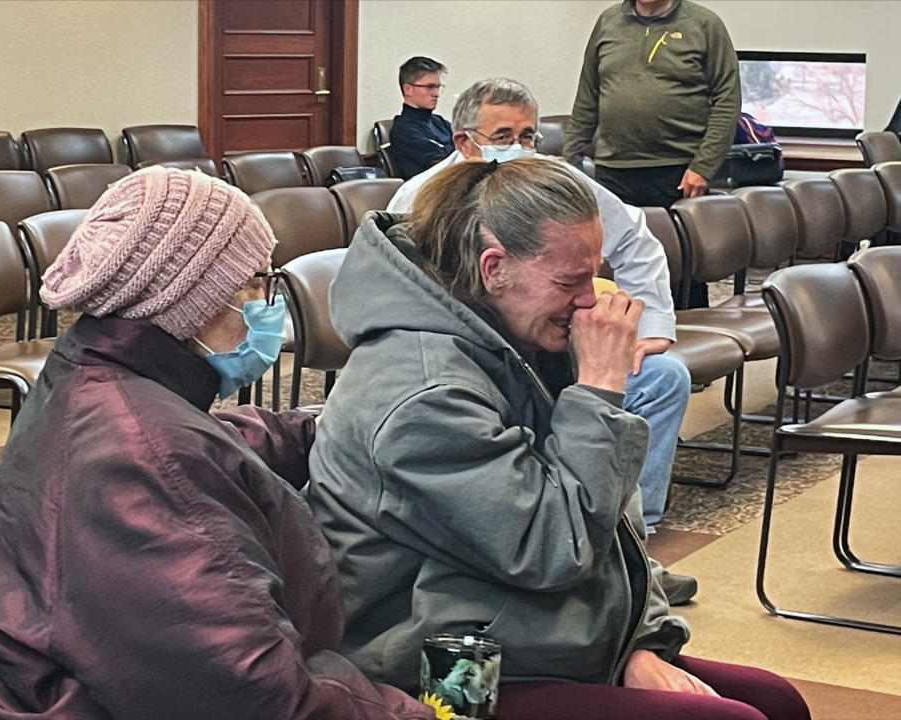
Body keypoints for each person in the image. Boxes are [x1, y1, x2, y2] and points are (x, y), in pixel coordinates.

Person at [307, 157, 810, 720]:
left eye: (595, 275)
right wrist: (598, 390)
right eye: (570, 282)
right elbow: (553, 549)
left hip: (533, 627)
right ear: (494, 268)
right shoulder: (422, 396)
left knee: (776, 700)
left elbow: (612, 524)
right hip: (448, 665)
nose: (591, 300)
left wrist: (639, 641)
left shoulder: (514, 342)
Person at [0, 167, 434, 720]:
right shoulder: (139, 460)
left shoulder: (96, 372)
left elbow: (208, 447)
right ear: (194, 299)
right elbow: (259, 697)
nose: (267, 304)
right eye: (256, 283)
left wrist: (334, 423)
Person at [387, 77, 696, 604]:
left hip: (546, 342)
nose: (519, 147)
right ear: (465, 142)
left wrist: (649, 331)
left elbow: (634, 241)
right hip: (483, 357)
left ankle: (633, 548)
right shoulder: (421, 199)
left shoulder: (555, 183)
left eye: (529, 135)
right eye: (504, 134)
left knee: (662, 377)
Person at [563, 0, 741, 307]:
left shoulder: (704, 24)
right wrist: (570, 161)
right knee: (613, 268)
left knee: (682, 271)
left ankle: (686, 344)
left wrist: (704, 165)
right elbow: (588, 94)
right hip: (613, 169)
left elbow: (727, 99)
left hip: (679, 172)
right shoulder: (608, 22)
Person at [389, 56, 454, 179]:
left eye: (438, 87)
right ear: (408, 89)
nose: (436, 94)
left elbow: (466, 147)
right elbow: (443, 161)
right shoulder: (403, 130)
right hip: (429, 193)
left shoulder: (440, 122)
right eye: (430, 87)